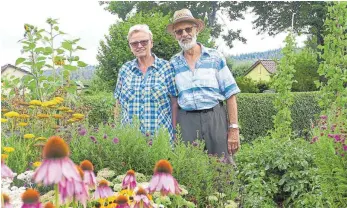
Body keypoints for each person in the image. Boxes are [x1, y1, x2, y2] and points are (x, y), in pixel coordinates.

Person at [167, 9, 241, 157]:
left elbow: (231, 93)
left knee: (222, 168)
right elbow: (172, 100)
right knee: (190, 169)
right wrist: (174, 131)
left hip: (215, 118)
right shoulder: (173, 63)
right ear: (175, 35)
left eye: (188, 29)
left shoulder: (214, 57)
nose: (184, 34)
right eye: (179, 32)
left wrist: (234, 128)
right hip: (186, 121)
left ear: (197, 30)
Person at [114, 24, 178, 141]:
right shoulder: (125, 70)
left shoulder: (166, 68)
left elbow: (174, 103)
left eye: (144, 42)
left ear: (151, 43)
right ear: (130, 47)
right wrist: (117, 131)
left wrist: (175, 133)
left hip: (160, 140)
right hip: (129, 140)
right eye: (134, 43)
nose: (139, 46)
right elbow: (118, 103)